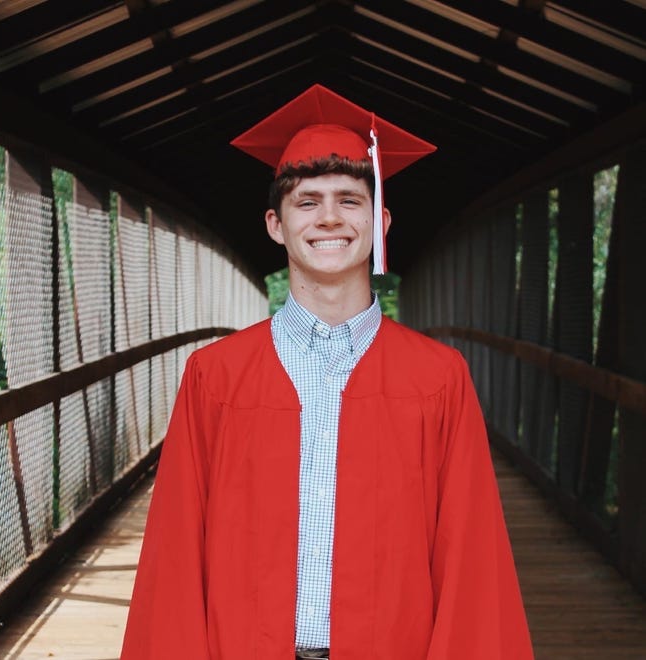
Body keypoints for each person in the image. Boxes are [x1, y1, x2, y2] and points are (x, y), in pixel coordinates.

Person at [120, 84, 534, 659]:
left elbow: (471, 560)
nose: (330, 218)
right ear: (275, 224)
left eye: (349, 199)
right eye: (307, 202)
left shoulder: (438, 377)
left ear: (380, 220)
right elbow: (175, 556)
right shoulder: (214, 377)